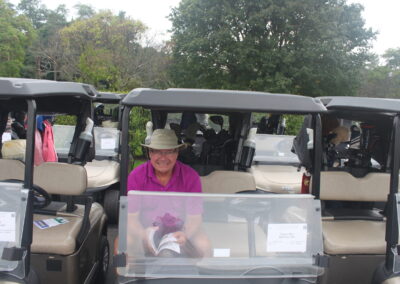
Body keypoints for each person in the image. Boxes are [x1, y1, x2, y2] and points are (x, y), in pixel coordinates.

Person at [125, 129, 211, 258]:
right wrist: (144, 235)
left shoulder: (191, 176)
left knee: (204, 245)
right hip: (146, 231)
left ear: (177, 153)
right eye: (157, 151)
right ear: (149, 153)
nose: (163, 157)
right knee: (123, 245)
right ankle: (133, 277)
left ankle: (194, 277)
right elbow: (131, 219)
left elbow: (195, 218)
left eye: (169, 152)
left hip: (180, 231)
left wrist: (185, 234)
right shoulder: (136, 176)